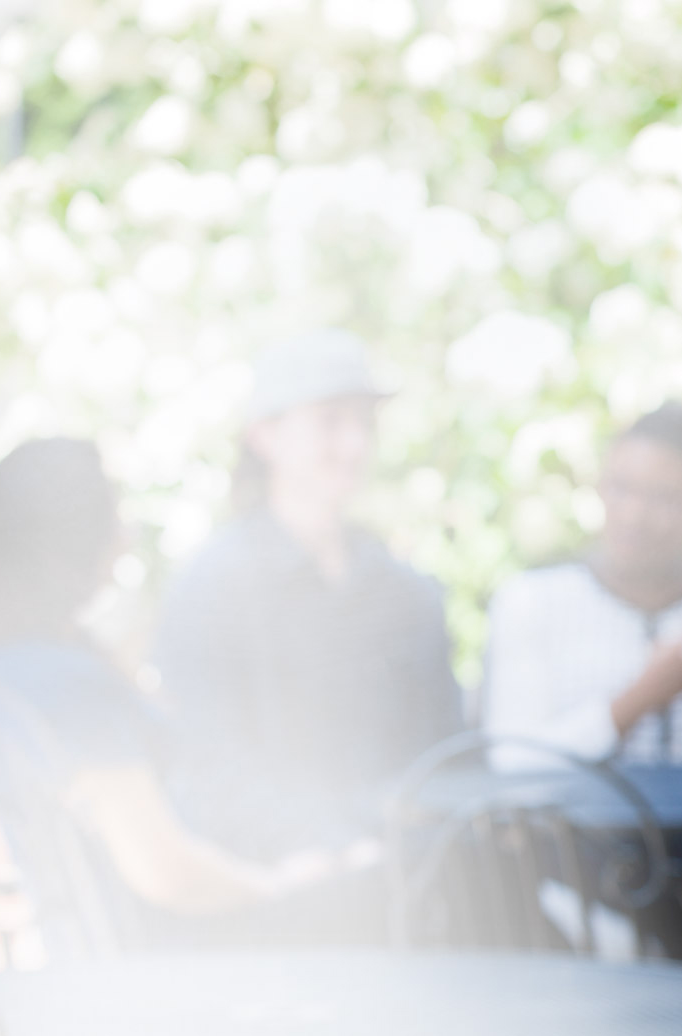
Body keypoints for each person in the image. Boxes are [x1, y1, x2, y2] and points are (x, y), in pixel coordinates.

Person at [0, 439, 377, 952]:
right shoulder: (68, 685)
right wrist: (281, 888)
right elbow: (166, 873)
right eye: (112, 517)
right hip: (167, 959)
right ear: (70, 541)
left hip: (80, 946)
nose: (125, 536)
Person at [154, 330, 462, 862]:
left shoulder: (406, 592)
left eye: (364, 423)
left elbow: (444, 757)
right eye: (330, 421)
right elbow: (210, 769)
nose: (354, 445)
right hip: (287, 897)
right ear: (264, 436)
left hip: (415, 884)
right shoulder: (211, 591)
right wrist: (328, 849)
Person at [481, 402, 682, 770]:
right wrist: (639, 699)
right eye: (621, 488)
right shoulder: (533, 599)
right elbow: (513, 762)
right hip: (576, 826)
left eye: (662, 498)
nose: (633, 515)